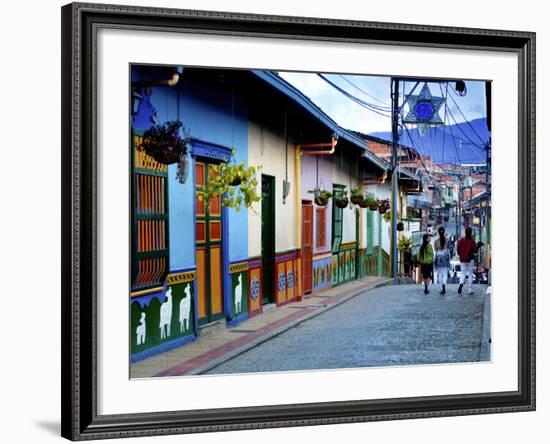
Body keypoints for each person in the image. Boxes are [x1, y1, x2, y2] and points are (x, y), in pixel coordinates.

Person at [457, 226, 478, 295]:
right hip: (470, 260)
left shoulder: (461, 240)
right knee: (470, 274)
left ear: (465, 233)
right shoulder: (472, 241)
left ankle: (461, 284)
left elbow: (458, 249)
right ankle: (470, 289)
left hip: (463, 260)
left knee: (463, 273)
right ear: (471, 233)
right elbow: (475, 250)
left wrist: (460, 255)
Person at [434, 227, 451, 294]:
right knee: (445, 273)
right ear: (444, 232)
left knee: (440, 274)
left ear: (438, 232)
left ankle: (441, 287)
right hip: (445, 256)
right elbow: (449, 248)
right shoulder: (447, 240)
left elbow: (435, 249)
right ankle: (444, 285)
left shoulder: (436, 241)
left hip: (438, 257)